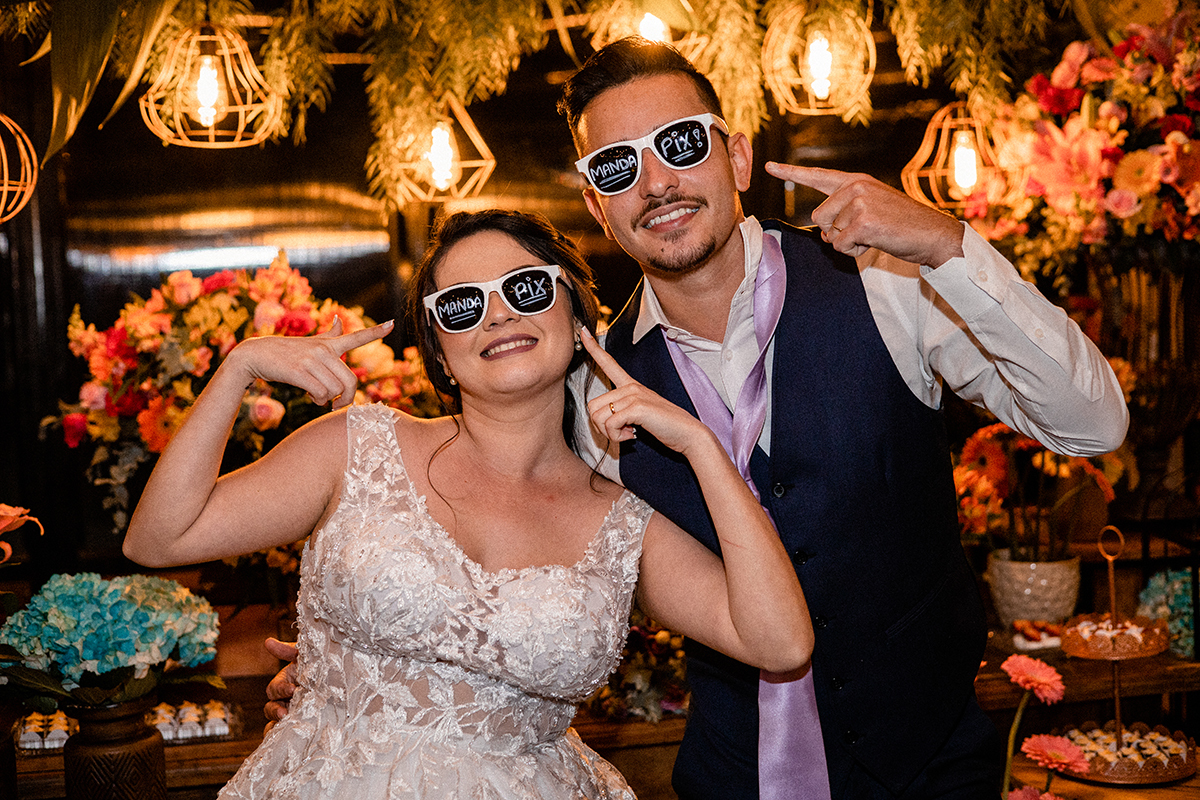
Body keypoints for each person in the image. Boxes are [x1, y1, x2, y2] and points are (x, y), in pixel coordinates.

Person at [554, 36, 1129, 800]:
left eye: (680, 143)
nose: (656, 182)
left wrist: (946, 244)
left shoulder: (883, 279)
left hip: (931, 765)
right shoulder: (592, 391)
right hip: (732, 778)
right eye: (616, 166)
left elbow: (1092, 426)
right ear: (596, 205)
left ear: (737, 158)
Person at [123, 209, 813, 799]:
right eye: (462, 304)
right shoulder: (355, 448)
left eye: (524, 287)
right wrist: (240, 366)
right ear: (440, 352)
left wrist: (700, 447)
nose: (498, 313)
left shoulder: (623, 521)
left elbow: (780, 643)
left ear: (576, 315)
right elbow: (158, 539)